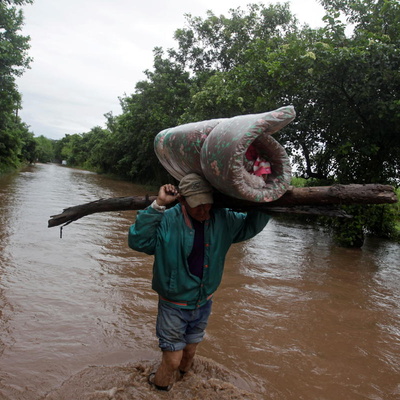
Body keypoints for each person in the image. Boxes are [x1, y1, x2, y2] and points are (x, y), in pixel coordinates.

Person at [128, 173, 270, 391]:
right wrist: (158, 205)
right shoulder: (167, 218)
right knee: (173, 360)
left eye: (207, 205)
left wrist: (263, 197)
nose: (204, 211)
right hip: (173, 304)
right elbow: (138, 241)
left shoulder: (223, 218)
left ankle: (184, 386)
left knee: (189, 354)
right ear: (183, 200)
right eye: (197, 206)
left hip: (203, 302)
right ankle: (158, 390)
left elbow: (250, 226)